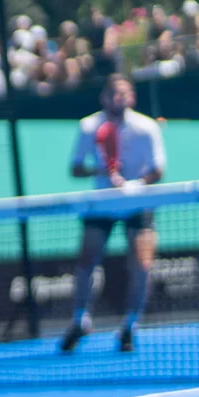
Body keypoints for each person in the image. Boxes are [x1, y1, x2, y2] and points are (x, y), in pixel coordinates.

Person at [60, 72, 166, 354]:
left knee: (142, 265)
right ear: (104, 97)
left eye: (124, 93)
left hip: (137, 203)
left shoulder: (146, 127)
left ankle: (130, 325)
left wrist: (134, 184)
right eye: (112, 93)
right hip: (102, 203)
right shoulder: (88, 127)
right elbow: (76, 167)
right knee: (86, 261)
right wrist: (102, 170)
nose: (118, 98)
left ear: (131, 97)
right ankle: (80, 319)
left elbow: (158, 169)